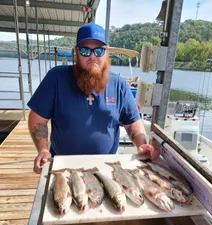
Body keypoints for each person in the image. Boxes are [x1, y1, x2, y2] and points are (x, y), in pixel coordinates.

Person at [28, 23, 160, 174]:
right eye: (85, 50)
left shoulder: (119, 85)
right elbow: (38, 118)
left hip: (107, 166)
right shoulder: (56, 78)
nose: (92, 56)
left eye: (98, 50)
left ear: (106, 52)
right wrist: (43, 149)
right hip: (63, 165)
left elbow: (131, 122)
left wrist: (141, 144)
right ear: (76, 52)